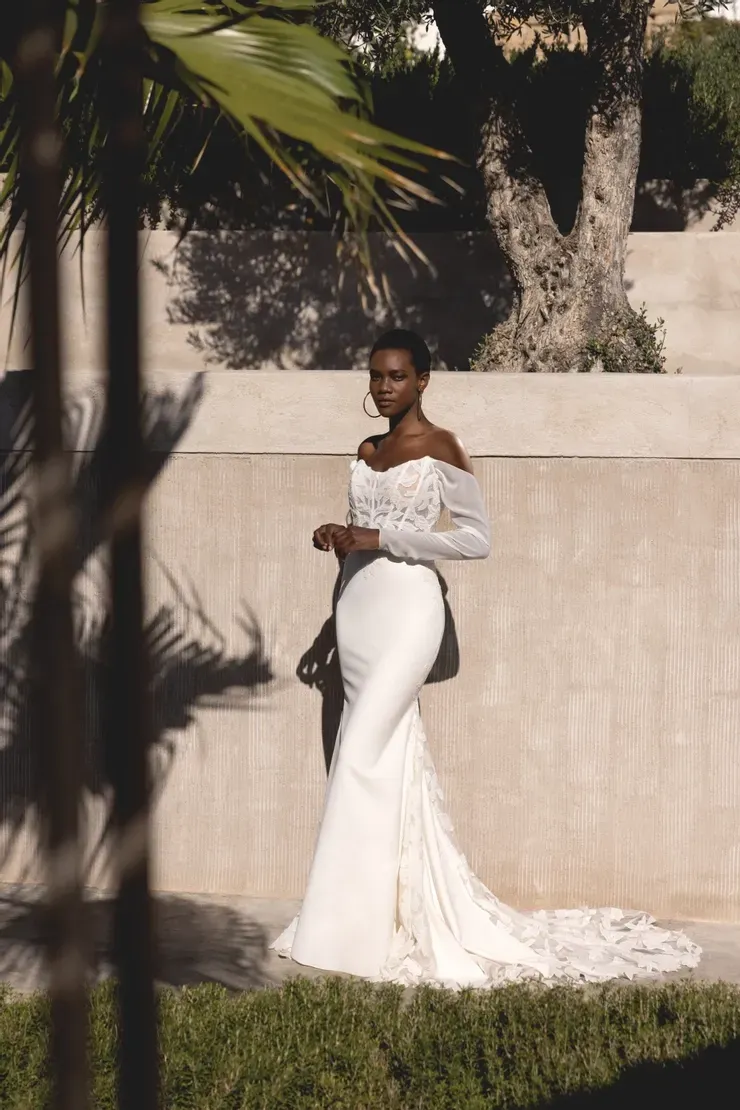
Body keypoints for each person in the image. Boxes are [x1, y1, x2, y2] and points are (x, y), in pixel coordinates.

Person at [271, 329, 701, 987]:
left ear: (423, 381)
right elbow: (360, 529)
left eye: (397, 376)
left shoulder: (441, 448)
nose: (384, 388)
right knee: (379, 762)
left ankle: (346, 930)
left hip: (410, 615)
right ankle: (362, 919)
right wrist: (339, 535)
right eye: (376, 376)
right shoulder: (366, 449)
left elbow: (475, 540)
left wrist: (380, 536)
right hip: (356, 613)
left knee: (359, 756)